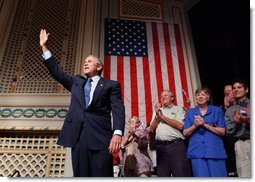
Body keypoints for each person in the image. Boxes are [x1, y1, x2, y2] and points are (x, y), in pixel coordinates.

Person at [39, 29, 125, 177]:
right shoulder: (77, 82)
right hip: (78, 139)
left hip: (100, 138)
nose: (86, 63)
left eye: (89, 61)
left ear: (99, 67)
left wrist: (117, 134)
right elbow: (56, 72)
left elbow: (118, 110)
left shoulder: (111, 85)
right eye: (85, 62)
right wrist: (44, 47)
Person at [183, 87, 227, 177]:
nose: (200, 97)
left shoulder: (216, 110)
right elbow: (185, 133)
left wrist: (204, 124)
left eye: (203, 94)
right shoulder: (190, 112)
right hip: (197, 152)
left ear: (208, 97)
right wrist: (195, 126)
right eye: (198, 95)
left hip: (215, 151)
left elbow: (222, 131)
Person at [150, 90, 191, 177]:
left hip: (176, 146)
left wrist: (162, 117)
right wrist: (157, 117)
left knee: (181, 174)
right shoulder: (158, 111)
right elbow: (151, 130)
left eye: (165, 95)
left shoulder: (179, 109)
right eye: (161, 96)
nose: (163, 97)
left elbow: (180, 126)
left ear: (172, 98)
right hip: (161, 148)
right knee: (162, 176)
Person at [225, 79, 250, 177]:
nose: (236, 90)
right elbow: (229, 132)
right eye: (234, 88)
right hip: (240, 145)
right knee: (244, 175)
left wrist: (247, 120)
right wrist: (237, 123)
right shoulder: (230, 110)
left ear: (246, 90)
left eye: (239, 87)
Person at [222, 84, 237, 177]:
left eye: (229, 90)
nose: (227, 93)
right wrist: (226, 107)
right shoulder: (222, 109)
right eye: (225, 92)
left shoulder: (244, 104)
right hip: (230, 143)